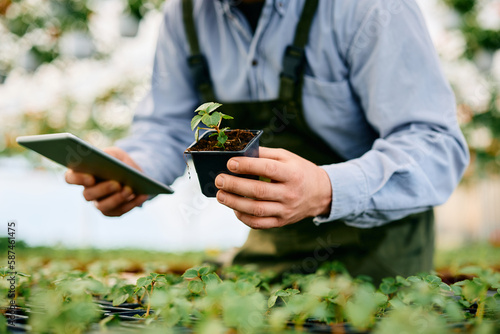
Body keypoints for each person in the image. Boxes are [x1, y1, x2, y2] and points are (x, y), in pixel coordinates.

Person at [66, 0, 469, 282]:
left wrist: (327, 190)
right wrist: (135, 166)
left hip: (381, 261)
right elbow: (170, 126)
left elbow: (435, 146)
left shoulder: (366, 7)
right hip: (270, 254)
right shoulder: (184, 12)